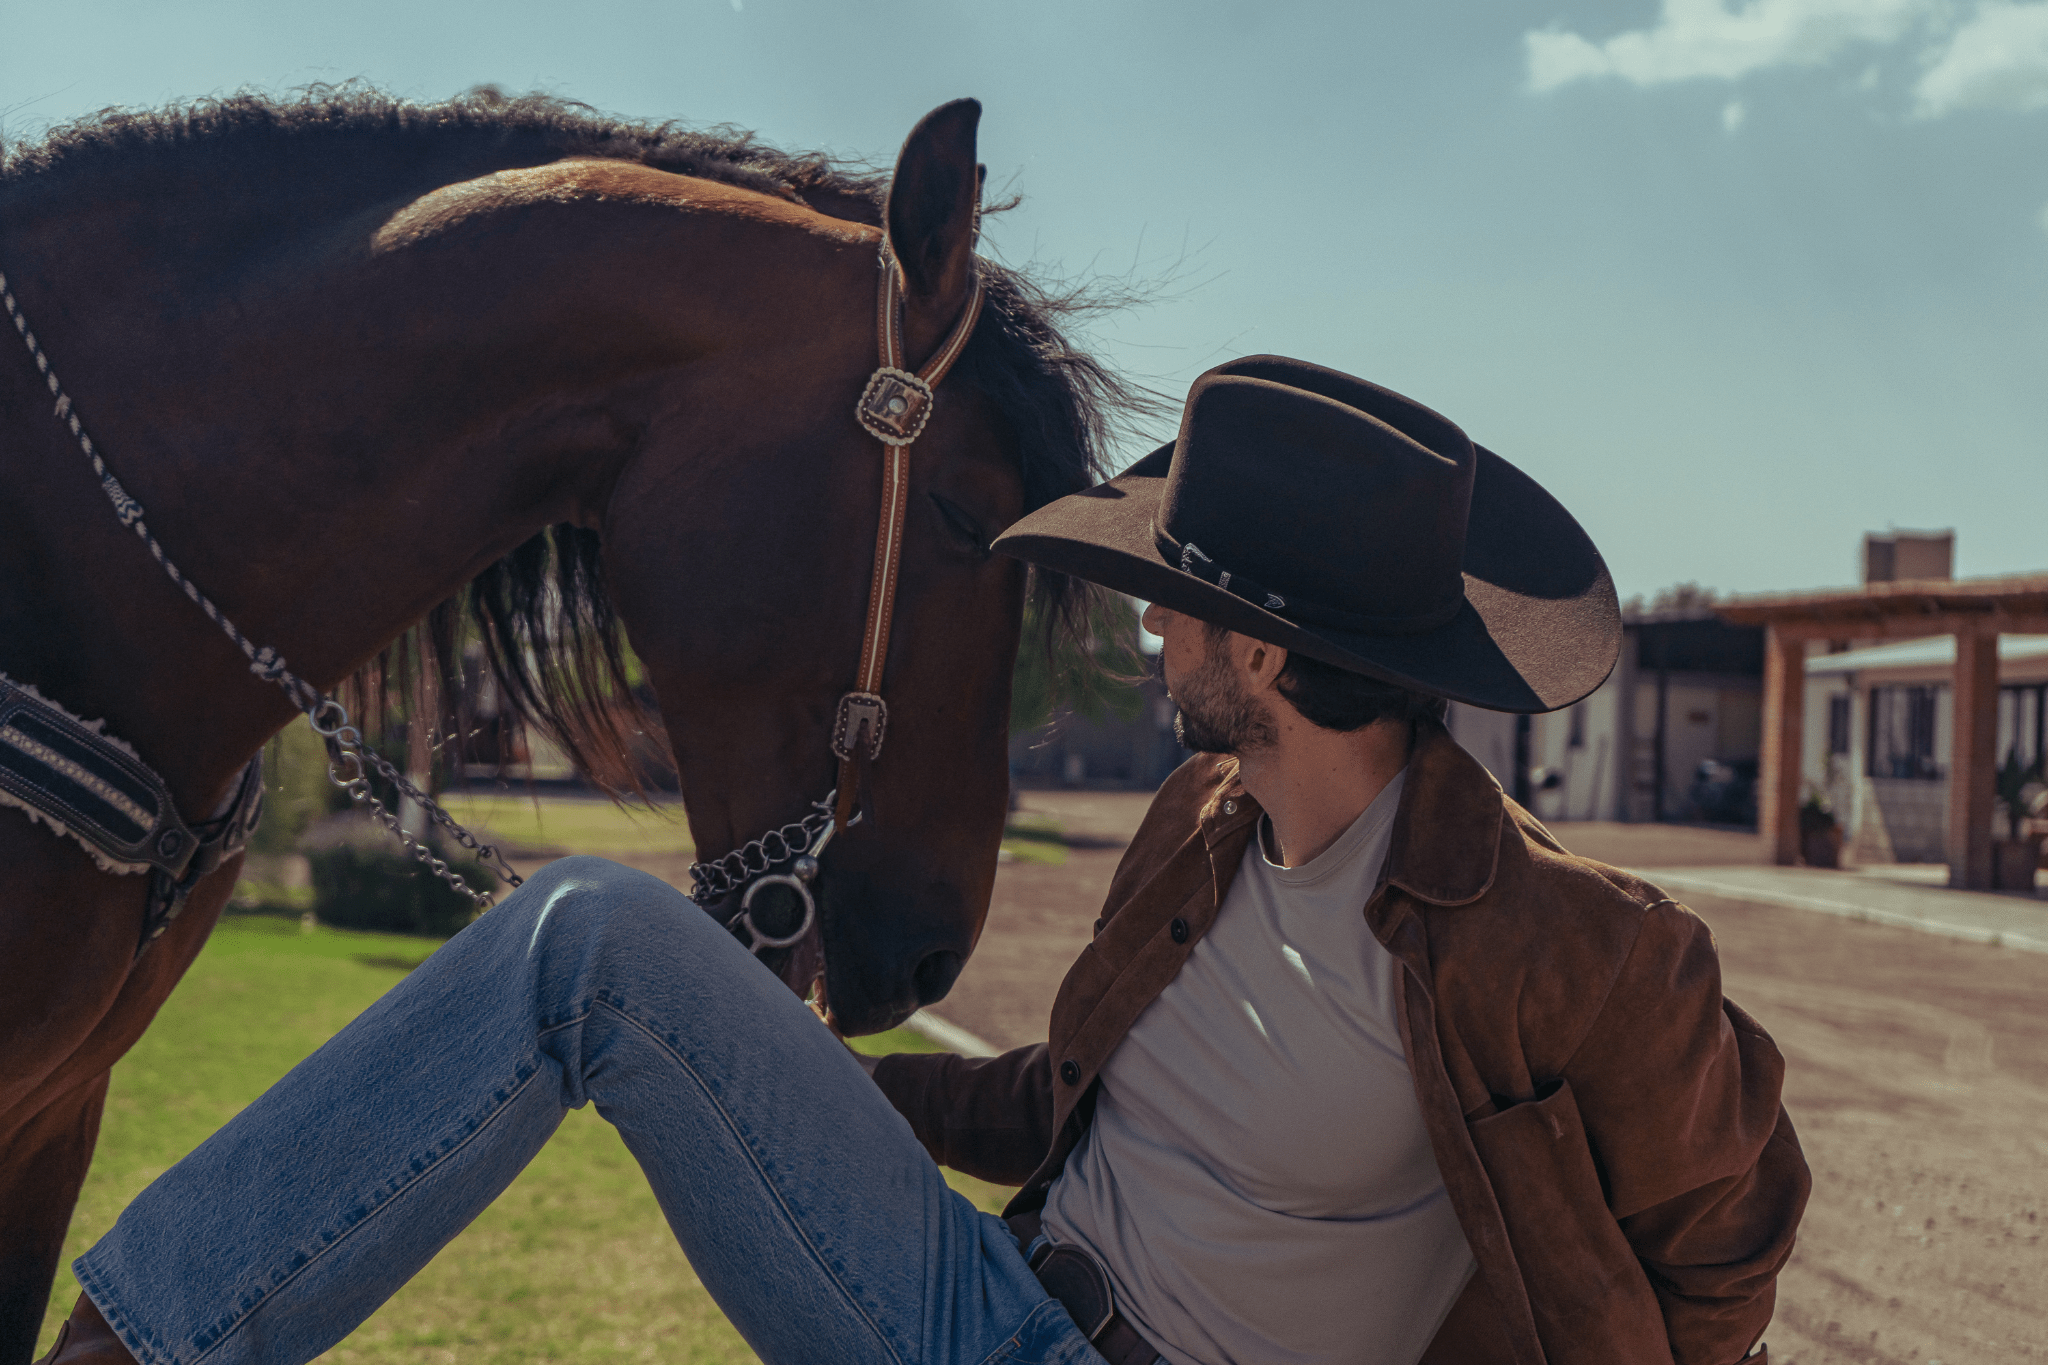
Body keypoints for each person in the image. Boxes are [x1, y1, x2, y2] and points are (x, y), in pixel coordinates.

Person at [39, 357, 1807, 1365]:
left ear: (1261, 653)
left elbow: (1725, 1256)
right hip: (983, 1303)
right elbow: (1070, 1100)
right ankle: (146, 1347)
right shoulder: (1206, 832)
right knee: (592, 940)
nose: (1144, 648)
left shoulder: (1583, 955)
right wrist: (829, 1088)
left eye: (1165, 617)